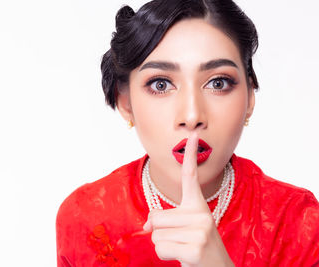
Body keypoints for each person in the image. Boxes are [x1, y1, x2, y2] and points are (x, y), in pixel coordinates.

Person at [56, 0, 319, 266]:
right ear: (126, 103)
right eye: (161, 84)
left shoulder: (297, 221)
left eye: (218, 82)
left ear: (250, 97)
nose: (192, 116)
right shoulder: (85, 218)